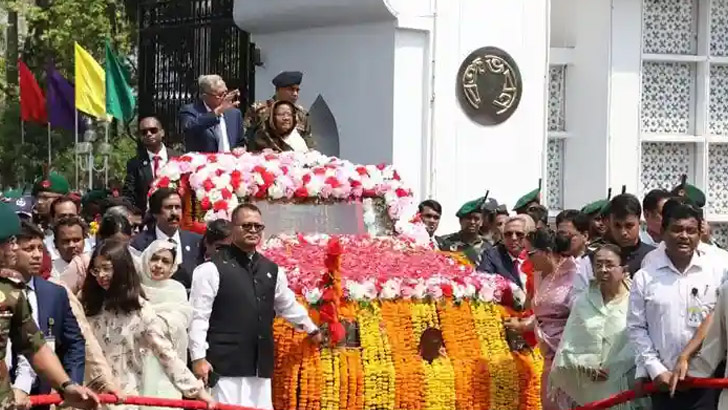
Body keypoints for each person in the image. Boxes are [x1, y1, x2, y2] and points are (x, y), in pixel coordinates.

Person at [189, 203, 321, 408]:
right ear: (233, 228)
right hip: (223, 366)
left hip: (259, 366)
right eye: (246, 225)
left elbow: (287, 304)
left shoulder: (271, 269)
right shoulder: (210, 269)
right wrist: (198, 357)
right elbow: (198, 317)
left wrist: (311, 328)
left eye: (257, 226)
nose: (253, 230)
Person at [81, 239, 214, 409]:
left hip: (125, 400)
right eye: (96, 270)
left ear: (122, 269)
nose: (101, 275)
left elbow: (165, 353)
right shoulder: (88, 305)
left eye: (107, 268)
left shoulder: (139, 309)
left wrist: (198, 392)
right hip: (90, 398)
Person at [0, 202, 100, 410]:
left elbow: (34, 343)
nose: (15, 247)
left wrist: (66, 385)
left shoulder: (10, 292)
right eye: (9, 241)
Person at [628, 199, 725, 410]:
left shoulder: (717, 272)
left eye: (691, 231)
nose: (684, 236)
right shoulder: (645, 277)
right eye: (677, 229)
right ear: (663, 232)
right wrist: (654, 369)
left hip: (708, 382)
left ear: (700, 234)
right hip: (663, 383)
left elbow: (717, 319)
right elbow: (636, 329)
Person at [549, 244, 642, 408]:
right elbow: (570, 344)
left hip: (627, 385)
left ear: (624, 269)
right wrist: (585, 365)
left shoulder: (636, 299)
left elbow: (641, 341)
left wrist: (617, 368)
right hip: (589, 386)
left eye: (610, 265)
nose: (604, 270)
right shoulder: (584, 301)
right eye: (598, 265)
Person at [7, 222, 86, 407]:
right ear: (10, 251)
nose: (36, 255)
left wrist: (67, 384)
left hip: (45, 396)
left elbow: (74, 343)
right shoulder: (4, 293)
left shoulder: (55, 293)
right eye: (29, 249)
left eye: (40, 248)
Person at [526, 228, 581, 409]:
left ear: (547, 252)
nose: (527, 258)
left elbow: (581, 317)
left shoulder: (575, 274)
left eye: (531, 253)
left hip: (570, 355)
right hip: (548, 354)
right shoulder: (539, 275)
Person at [138, 240, 193, 409]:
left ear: (172, 267)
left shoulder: (177, 290)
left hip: (166, 368)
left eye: (165, 261)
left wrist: (154, 322)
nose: (159, 265)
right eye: (155, 258)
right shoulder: (133, 288)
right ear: (146, 258)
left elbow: (182, 318)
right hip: (136, 363)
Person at [130, 188, 203, 290]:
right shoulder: (139, 244)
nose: (174, 213)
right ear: (155, 213)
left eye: (177, 207)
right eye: (169, 207)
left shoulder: (196, 241)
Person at [123, 116, 182, 214]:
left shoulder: (179, 159)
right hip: (147, 220)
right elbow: (130, 195)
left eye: (153, 130)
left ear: (162, 132)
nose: (149, 134)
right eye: (144, 132)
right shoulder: (134, 164)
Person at [179, 74, 244, 153]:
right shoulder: (190, 111)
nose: (225, 97)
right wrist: (217, 112)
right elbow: (189, 128)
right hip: (204, 163)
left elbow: (240, 142)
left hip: (230, 163)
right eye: (220, 95)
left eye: (226, 92)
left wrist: (240, 149)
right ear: (205, 96)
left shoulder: (235, 114)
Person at [243, 71, 311, 141]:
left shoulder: (301, 114)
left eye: (297, 90)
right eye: (291, 89)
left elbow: (308, 141)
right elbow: (245, 137)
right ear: (278, 89)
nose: (295, 94)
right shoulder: (259, 110)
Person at [478, 215, 533, 288]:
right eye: (508, 234)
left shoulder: (535, 256)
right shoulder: (491, 256)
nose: (513, 238)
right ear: (503, 237)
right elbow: (484, 280)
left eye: (519, 234)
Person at [437, 197, 490, 265]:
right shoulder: (445, 242)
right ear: (460, 221)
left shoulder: (487, 248)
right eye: (468, 218)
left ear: (481, 222)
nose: (472, 222)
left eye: (476, 219)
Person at [247, 100, 314, 153]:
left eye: (289, 114)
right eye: (282, 114)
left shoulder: (297, 139)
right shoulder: (261, 139)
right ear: (273, 117)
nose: (286, 118)